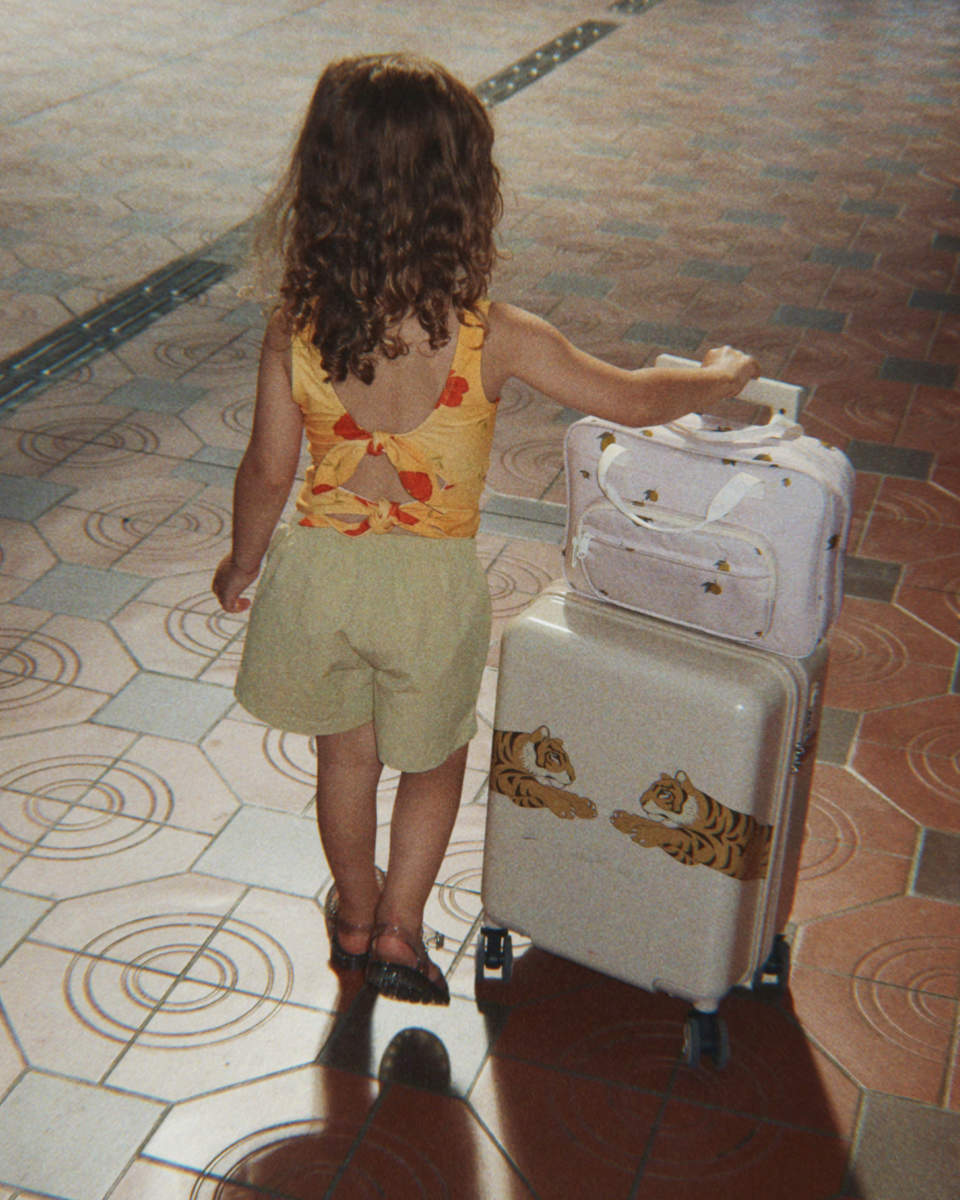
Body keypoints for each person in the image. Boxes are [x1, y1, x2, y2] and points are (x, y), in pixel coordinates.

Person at [211, 52, 758, 1007]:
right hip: (430, 594)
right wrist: (720, 375)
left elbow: (266, 469)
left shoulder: (294, 323)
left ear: (322, 184)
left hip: (318, 580)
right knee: (433, 762)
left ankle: (353, 913)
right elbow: (632, 399)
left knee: (344, 758)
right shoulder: (494, 334)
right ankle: (401, 928)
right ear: (463, 197)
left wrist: (241, 561)